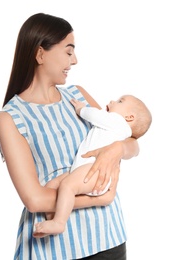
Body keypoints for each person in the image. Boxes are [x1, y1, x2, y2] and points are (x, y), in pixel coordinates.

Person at [0, 13, 140, 260]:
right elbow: (34, 200)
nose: (75, 60)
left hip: (108, 237)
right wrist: (101, 198)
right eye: (68, 51)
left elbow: (131, 140)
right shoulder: (10, 118)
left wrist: (117, 149)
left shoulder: (78, 96)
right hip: (54, 249)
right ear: (40, 54)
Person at [34, 95, 152, 237]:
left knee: (67, 186)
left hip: (94, 171)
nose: (112, 100)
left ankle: (59, 222)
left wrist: (81, 109)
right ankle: (51, 220)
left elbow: (95, 115)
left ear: (129, 117)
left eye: (120, 101)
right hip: (83, 169)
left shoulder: (118, 123)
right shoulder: (115, 128)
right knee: (52, 185)